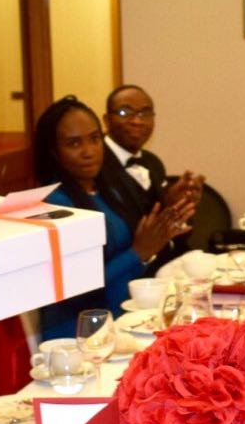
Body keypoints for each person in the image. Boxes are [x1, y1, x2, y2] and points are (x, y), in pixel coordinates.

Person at [33, 96, 194, 339]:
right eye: (74, 143)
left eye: (94, 139)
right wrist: (138, 253)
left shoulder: (109, 189)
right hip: (81, 331)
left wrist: (160, 231)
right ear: (53, 152)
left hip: (124, 316)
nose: (89, 151)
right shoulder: (54, 205)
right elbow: (76, 289)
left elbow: (134, 251)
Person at [101, 84, 204, 266]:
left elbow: (168, 233)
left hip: (167, 266)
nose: (137, 121)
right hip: (124, 272)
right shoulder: (95, 164)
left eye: (145, 113)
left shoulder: (153, 162)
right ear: (107, 120)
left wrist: (176, 207)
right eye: (125, 112)